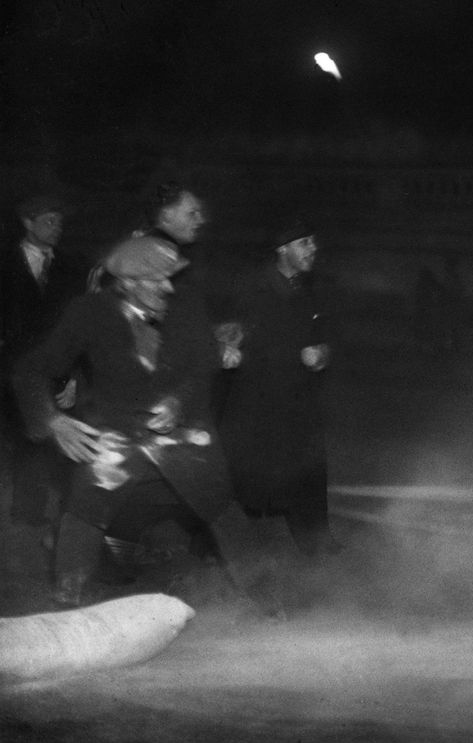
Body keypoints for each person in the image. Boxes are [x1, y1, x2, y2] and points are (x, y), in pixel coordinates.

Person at [11, 236, 282, 612]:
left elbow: (204, 363)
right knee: (83, 513)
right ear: (129, 281)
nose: (168, 287)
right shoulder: (89, 312)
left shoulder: (186, 305)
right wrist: (53, 421)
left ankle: (268, 602)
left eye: (170, 277)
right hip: (114, 436)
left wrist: (179, 402)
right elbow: (31, 370)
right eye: (157, 279)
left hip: (184, 435)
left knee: (222, 509)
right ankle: (68, 608)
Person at [218, 221, 340, 557]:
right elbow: (233, 341)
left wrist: (323, 352)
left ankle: (315, 538)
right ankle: (225, 546)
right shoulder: (253, 290)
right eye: (304, 243)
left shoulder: (310, 289)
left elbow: (331, 338)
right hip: (258, 400)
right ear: (282, 249)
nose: (312, 249)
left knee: (311, 467)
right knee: (248, 474)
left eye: (314, 243)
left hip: (300, 398)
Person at [1, 194, 89, 537]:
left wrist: (76, 376)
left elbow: (82, 325)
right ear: (27, 222)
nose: (57, 229)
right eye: (49, 221)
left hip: (60, 370)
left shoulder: (72, 267)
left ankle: (73, 516)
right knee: (27, 439)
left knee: (68, 440)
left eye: (60, 222)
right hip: (13, 371)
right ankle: (27, 513)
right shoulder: (4, 263)